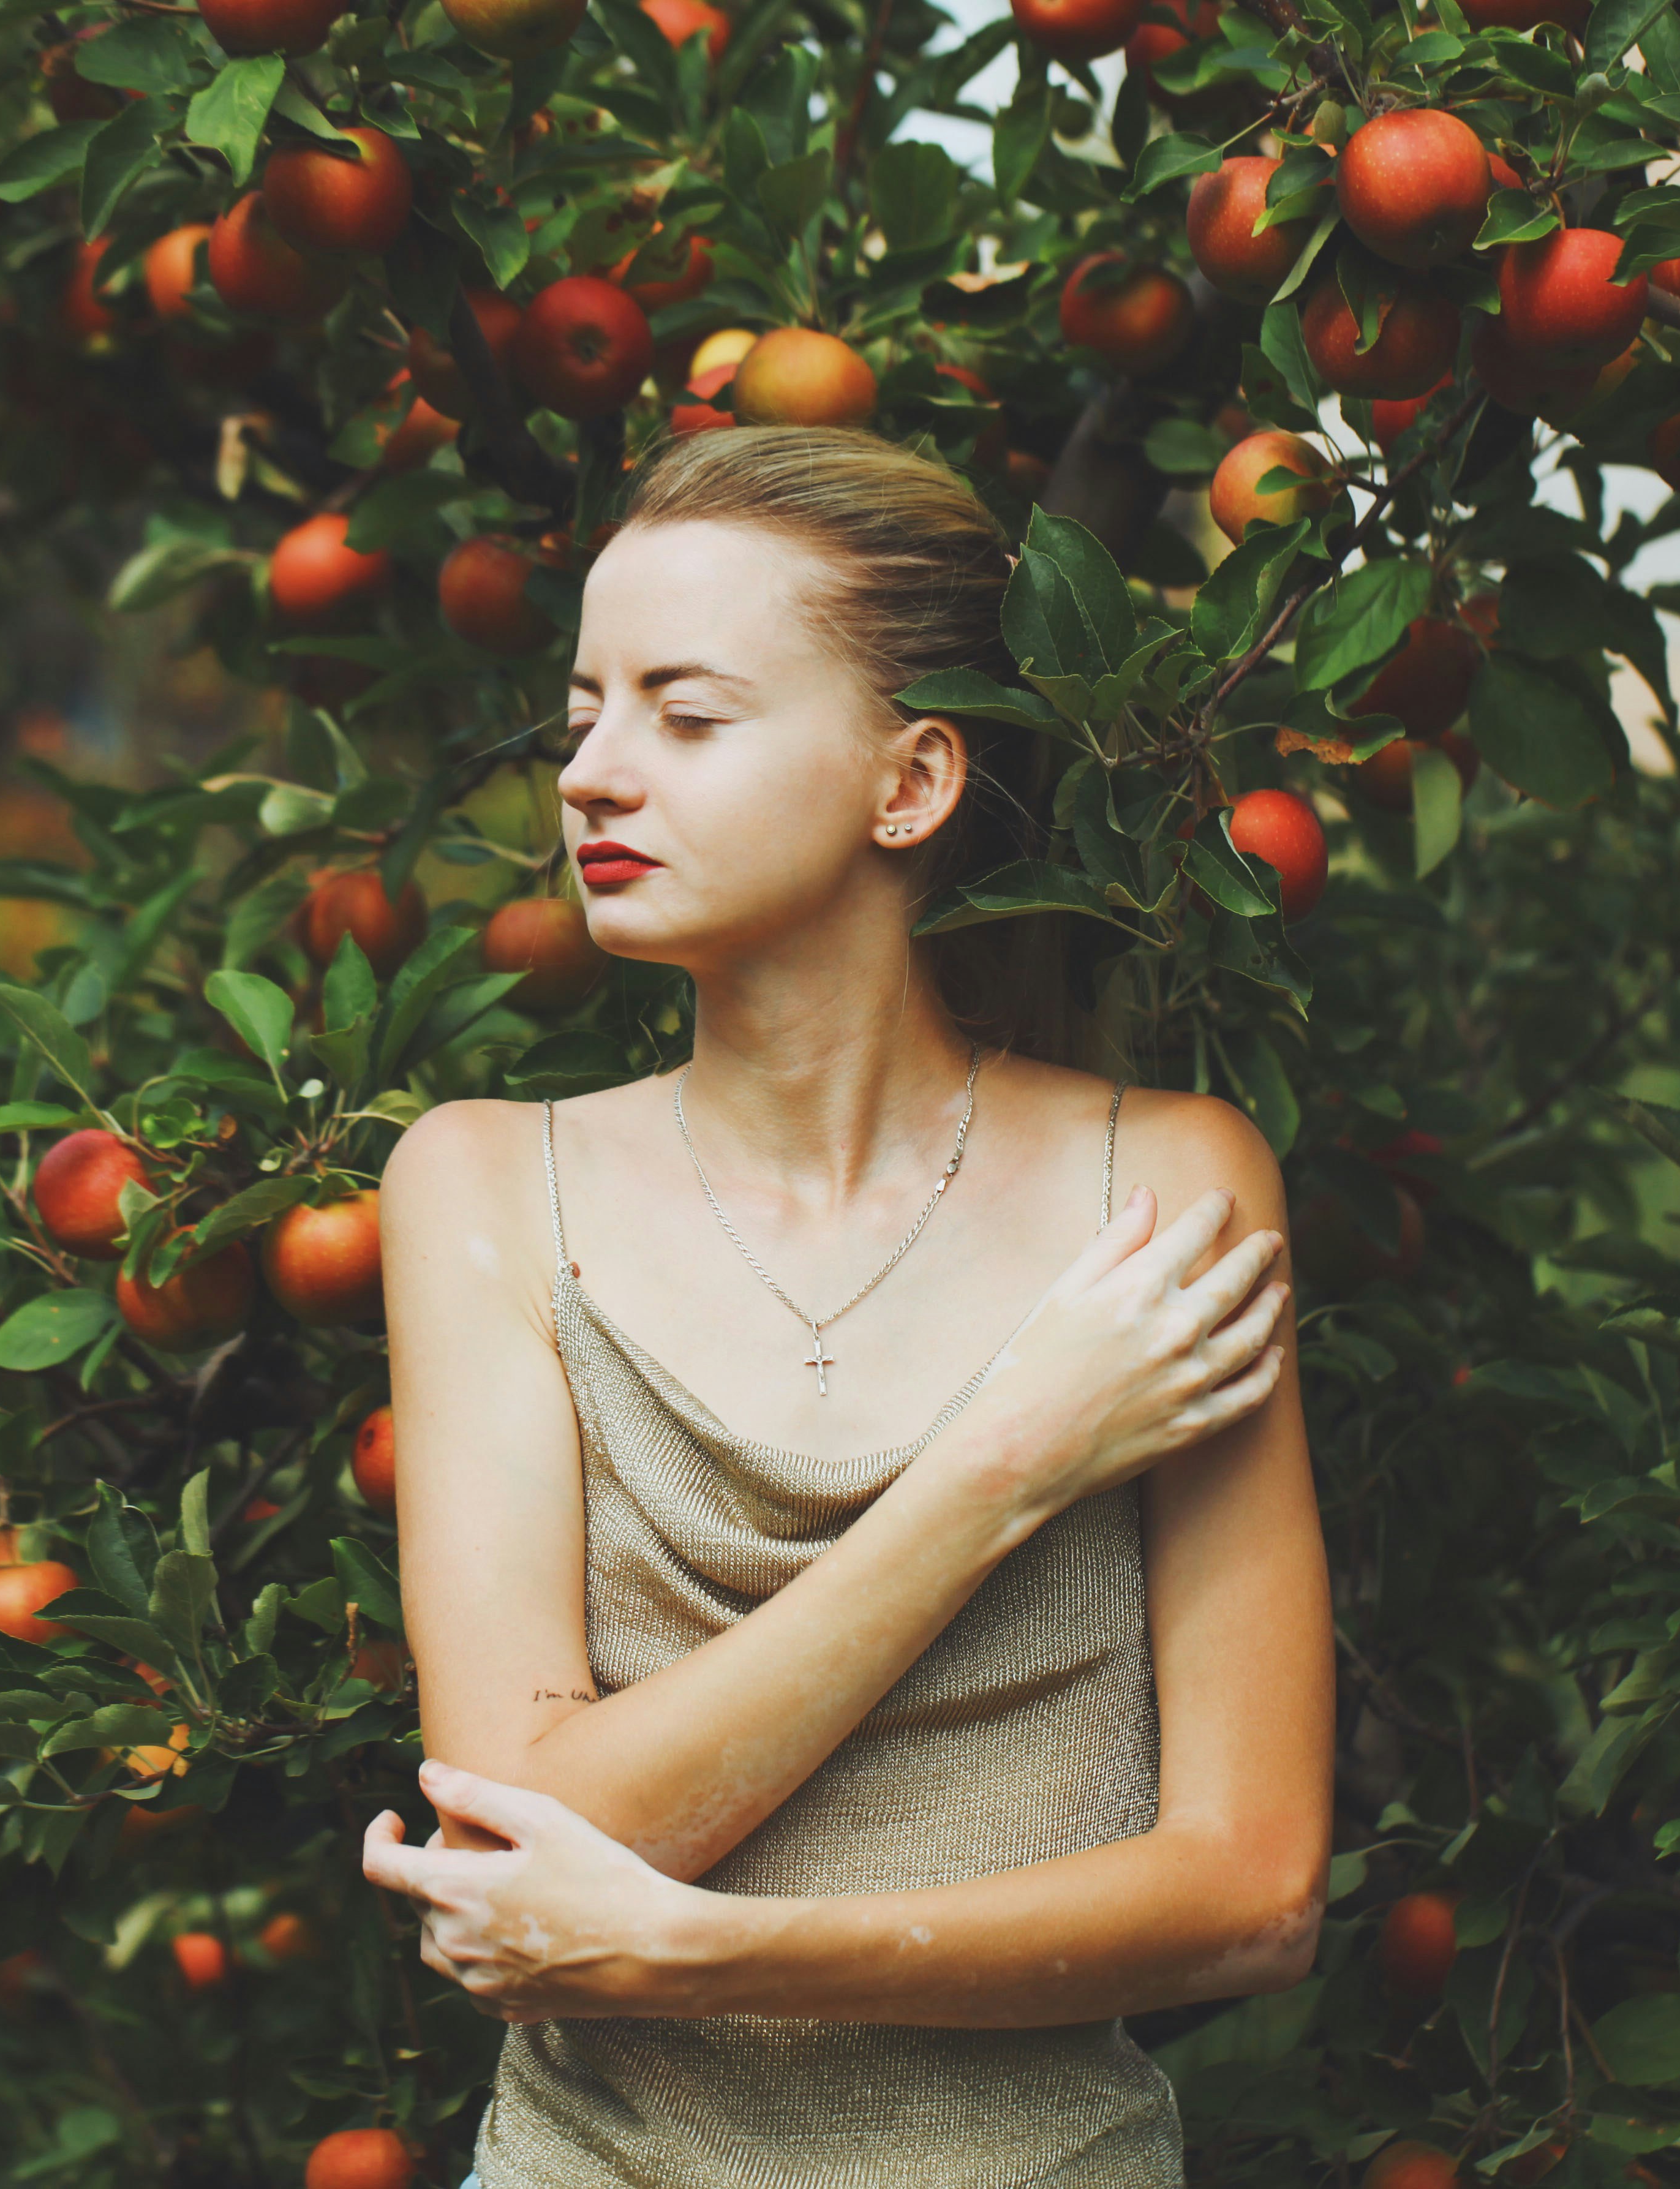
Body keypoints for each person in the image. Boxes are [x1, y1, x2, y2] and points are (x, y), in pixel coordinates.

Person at [363, 426, 1336, 2188]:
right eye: (582, 709)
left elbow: (1254, 1893)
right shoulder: (485, 1190)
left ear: (913, 784)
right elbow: (529, 1819)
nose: (590, 772)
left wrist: (699, 1953)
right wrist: (1004, 1468)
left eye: (685, 711)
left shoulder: (1169, 1192)